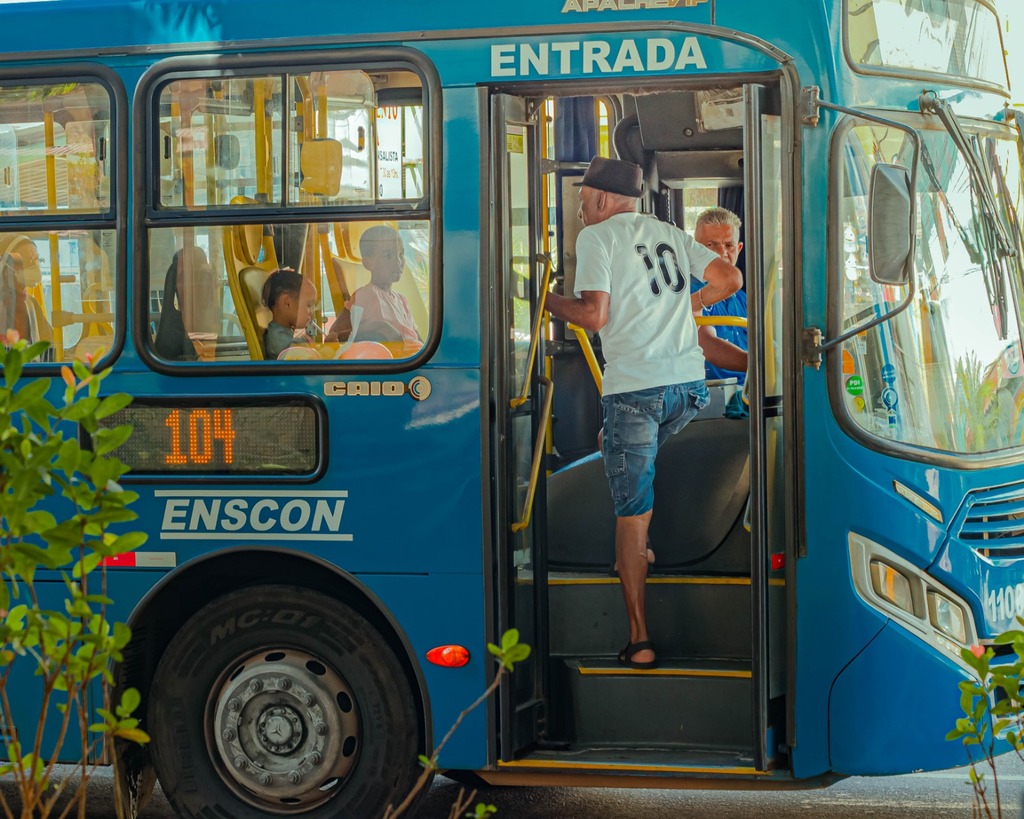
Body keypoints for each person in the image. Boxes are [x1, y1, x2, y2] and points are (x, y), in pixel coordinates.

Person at [545, 156, 742, 670]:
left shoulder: (597, 238)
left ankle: (638, 640)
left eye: (583, 200)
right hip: (688, 389)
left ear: (604, 199)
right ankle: (642, 544)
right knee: (642, 470)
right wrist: (688, 304)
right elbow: (730, 277)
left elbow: (594, 316)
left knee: (630, 518)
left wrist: (542, 301)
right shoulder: (668, 232)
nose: (582, 210)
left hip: (635, 391)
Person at [692, 207, 748, 383]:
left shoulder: (742, 298)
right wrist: (763, 366)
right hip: (717, 399)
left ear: (739, 248)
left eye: (729, 245)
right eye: (711, 245)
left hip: (752, 389)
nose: (721, 252)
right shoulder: (690, 292)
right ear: (695, 249)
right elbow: (707, 345)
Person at [342, 225, 420, 343]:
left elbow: (419, 338)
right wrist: (382, 328)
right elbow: (349, 332)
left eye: (401, 254)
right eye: (388, 255)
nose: (399, 261)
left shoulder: (402, 300)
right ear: (368, 263)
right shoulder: (365, 295)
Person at [154, 247, 213, 361]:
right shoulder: (171, 333)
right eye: (183, 278)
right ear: (173, 285)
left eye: (198, 276)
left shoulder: (217, 321)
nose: (191, 286)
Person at [262, 267, 318, 360]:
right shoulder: (279, 340)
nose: (311, 312)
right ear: (287, 302)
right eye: (308, 305)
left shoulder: (283, 333)